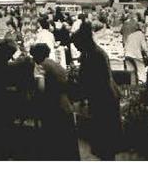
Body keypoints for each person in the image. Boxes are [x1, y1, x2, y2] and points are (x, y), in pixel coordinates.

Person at [71, 23, 122, 160]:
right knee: (103, 143)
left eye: (77, 45)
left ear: (83, 42)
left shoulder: (95, 55)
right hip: (102, 98)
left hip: (104, 99)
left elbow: (93, 80)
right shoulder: (91, 53)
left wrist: (79, 91)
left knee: (105, 142)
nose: (77, 48)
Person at [30, 43, 80, 160]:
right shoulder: (55, 64)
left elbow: (41, 88)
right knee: (67, 141)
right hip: (66, 103)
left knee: (54, 141)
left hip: (53, 106)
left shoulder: (41, 66)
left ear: (37, 56)